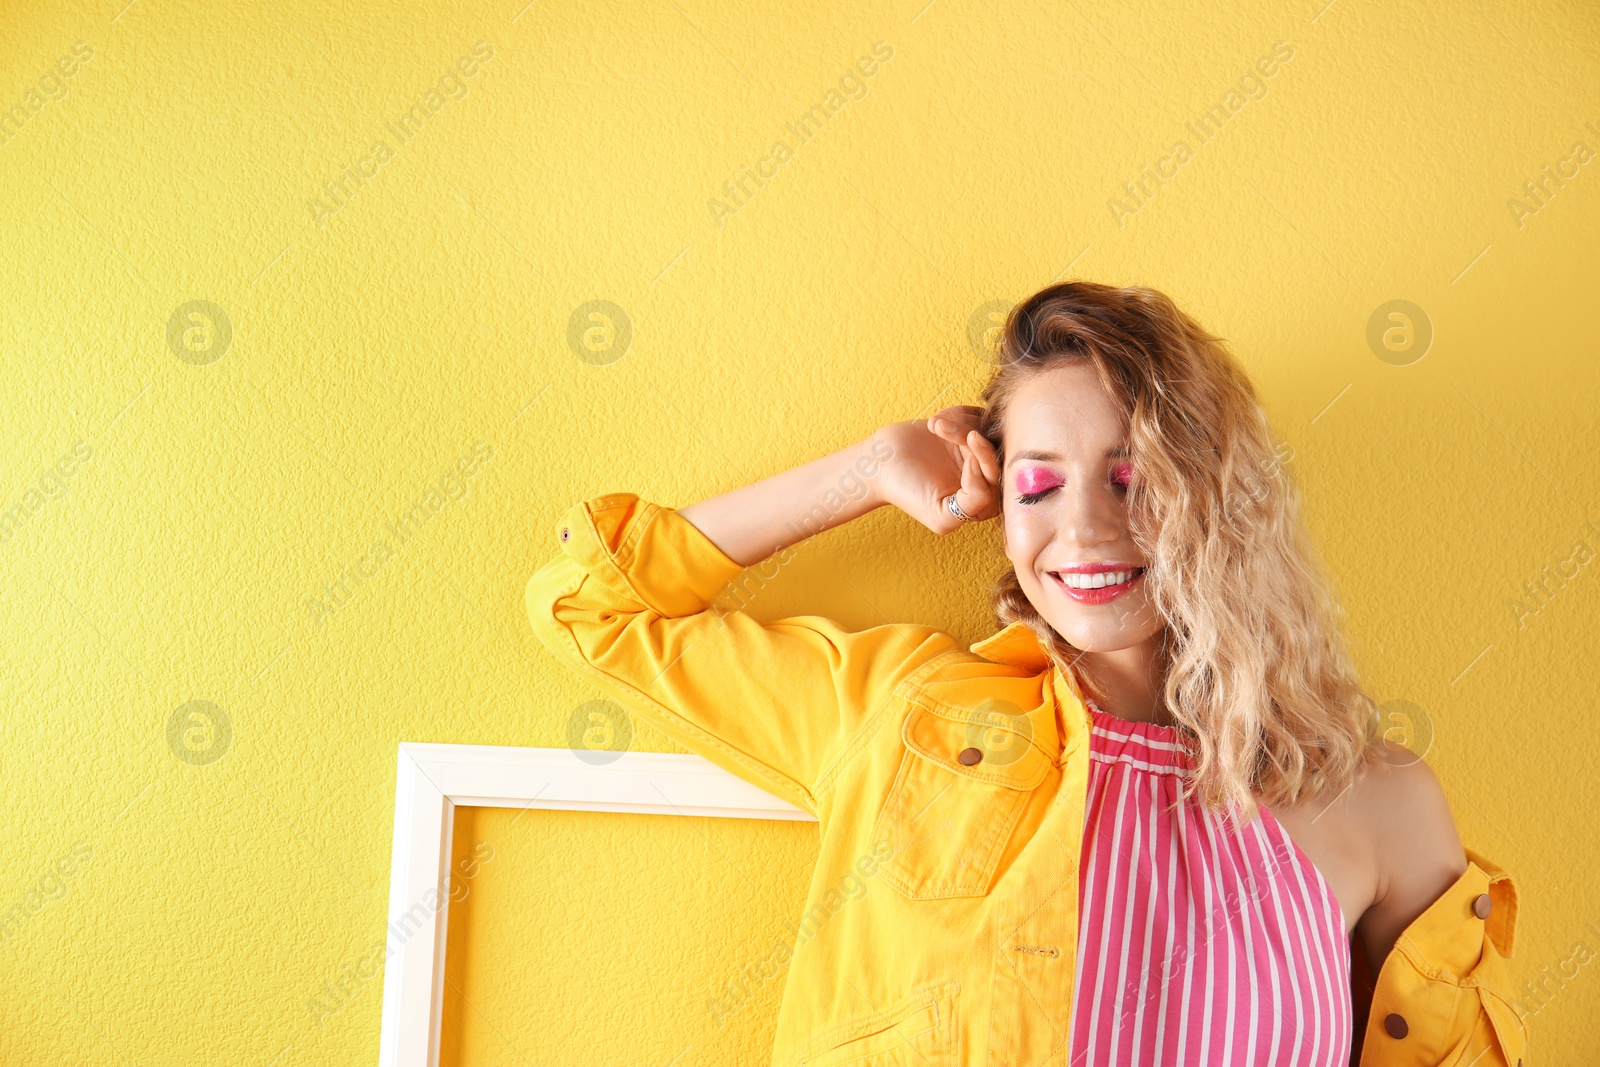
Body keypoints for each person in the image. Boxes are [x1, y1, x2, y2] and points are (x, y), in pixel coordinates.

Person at [525, 280, 1525, 1065]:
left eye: (1133, 477)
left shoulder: (1376, 804)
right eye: (1039, 482)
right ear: (1000, 505)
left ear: (1220, 500)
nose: (1083, 527)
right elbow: (594, 604)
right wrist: (868, 469)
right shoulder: (899, 713)